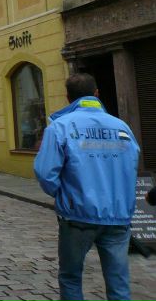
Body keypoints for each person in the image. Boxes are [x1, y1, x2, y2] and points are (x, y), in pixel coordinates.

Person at [34, 73, 139, 301]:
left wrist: (62, 195)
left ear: (68, 97)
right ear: (96, 94)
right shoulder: (122, 127)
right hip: (118, 216)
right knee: (119, 284)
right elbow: (132, 166)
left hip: (77, 216)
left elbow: (44, 173)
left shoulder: (59, 127)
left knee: (71, 278)